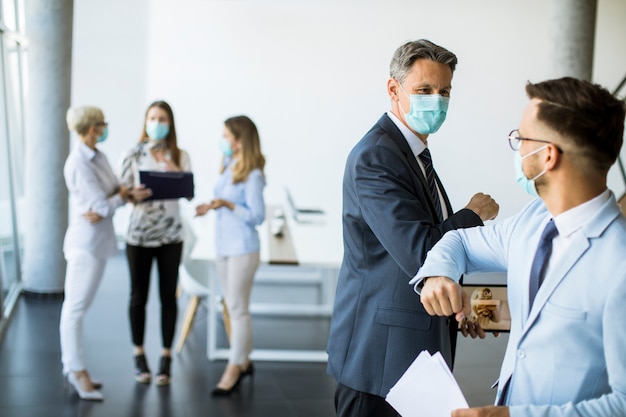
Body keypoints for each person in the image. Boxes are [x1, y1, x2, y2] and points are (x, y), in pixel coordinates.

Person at [415, 77, 626, 417]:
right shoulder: (535, 219)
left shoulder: (619, 264)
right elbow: (459, 241)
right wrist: (440, 274)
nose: (516, 146)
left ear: (548, 156)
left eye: (521, 138)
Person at [326, 39, 500, 417]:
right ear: (394, 89)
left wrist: (455, 301)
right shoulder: (376, 156)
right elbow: (422, 251)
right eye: (424, 90)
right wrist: (472, 213)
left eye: (444, 92)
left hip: (410, 354)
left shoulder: (414, 153)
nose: (436, 101)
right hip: (378, 358)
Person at [61, 106, 150, 400]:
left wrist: (120, 196)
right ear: (91, 129)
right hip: (84, 245)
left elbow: (112, 192)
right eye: (102, 124)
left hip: (99, 241)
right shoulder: (77, 163)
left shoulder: (97, 156)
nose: (105, 128)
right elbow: (99, 206)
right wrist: (116, 200)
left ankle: (76, 366)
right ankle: (75, 371)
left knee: (80, 309)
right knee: (74, 310)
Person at [118, 100, 192, 386]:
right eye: (152, 118)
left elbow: (188, 191)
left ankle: (165, 356)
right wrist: (130, 195)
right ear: (145, 121)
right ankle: (139, 354)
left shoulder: (181, 155)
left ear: (170, 123)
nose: (157, 123)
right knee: (138, 296)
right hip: (138, 236)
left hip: (171, 236)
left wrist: (169, 164)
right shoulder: (132, 154)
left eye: (162, 118)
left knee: (167, 297)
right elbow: (120, 190)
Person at [195, 115, 265, 396]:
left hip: (242, 249)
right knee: (231, 306)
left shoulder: (253, 174)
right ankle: (243, 360)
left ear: (239, 141)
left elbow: (257, 216)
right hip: (224, 247)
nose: (222, 141)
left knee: (238, 309)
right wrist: (213, 205)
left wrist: (226, 204)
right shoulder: (228, 167)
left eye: (226, 136)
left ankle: (235, 367)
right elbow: (227, 202)